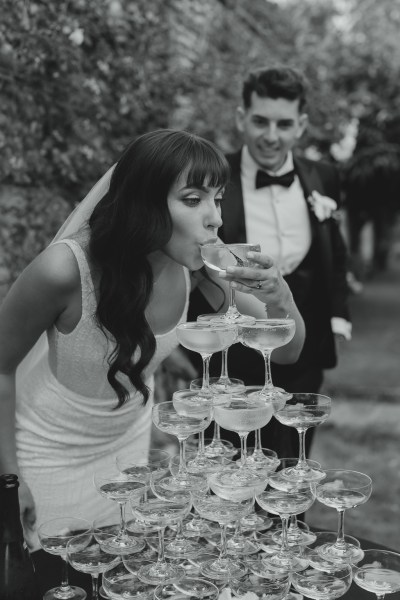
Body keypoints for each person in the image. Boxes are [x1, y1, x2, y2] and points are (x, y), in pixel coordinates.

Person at [0, 128, 305, 555]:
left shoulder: (201, 267)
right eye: (193, 199)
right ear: (143, 202)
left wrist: (281, 295)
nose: (215, 217)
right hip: (43, 450)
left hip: (126, 450)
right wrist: (8, 481)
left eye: (217, 198)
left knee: (121, 572)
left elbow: (287, 351)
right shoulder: (64, 270)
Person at [187, 66, 351, 458]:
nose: (271, 136)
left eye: (284, 123)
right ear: (242, 118)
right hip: (233, 348)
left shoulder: (324, 176)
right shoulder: (213, 175)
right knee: (231, 460)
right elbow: (196, 255)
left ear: (301, 125)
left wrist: (339, 313)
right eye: (260, 121)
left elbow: (335, 250)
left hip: (303, 339)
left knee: (295, 460)